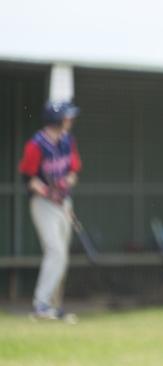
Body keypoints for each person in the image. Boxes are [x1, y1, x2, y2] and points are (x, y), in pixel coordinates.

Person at [18, 100, 82, 323]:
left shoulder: (67, 141)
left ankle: (54, 306)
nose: (69, 120)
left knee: (62, 256)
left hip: (63, 204)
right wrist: (47, 191)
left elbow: (74, 170)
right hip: (43, 204)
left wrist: (65, 184)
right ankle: (41, 305)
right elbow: (28, 176)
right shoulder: (36, 144)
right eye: (66, 116)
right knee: (55, 251)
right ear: (55, 120)